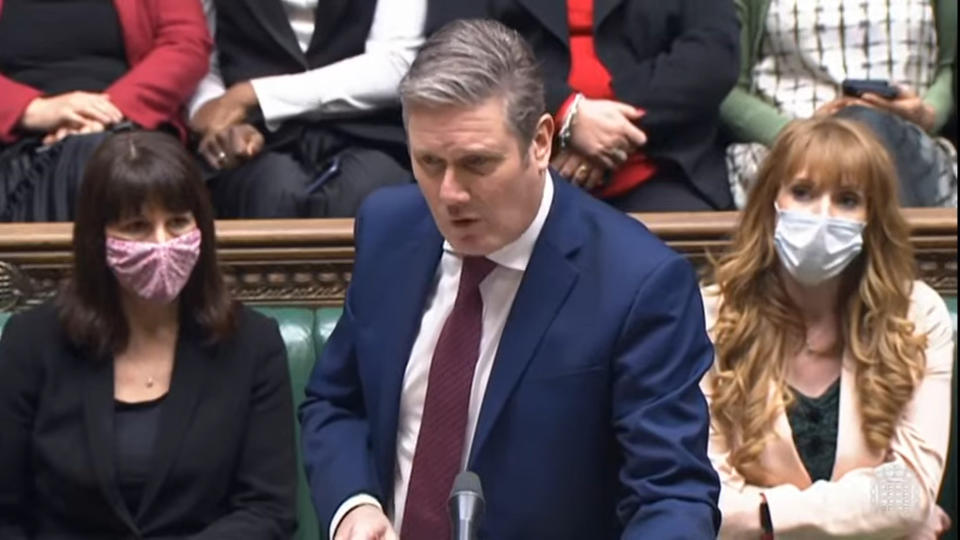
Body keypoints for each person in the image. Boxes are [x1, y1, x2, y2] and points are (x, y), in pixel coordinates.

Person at [300, 19, 720, 540]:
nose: (450, 193)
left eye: (477, 163)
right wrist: (354, 508)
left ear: (540, 142)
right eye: (429, 162)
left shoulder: (638, 284)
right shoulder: (390, 231)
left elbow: (671, 494)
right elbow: (336, 402)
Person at [0, 131, 297, 539]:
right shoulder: (31, 342)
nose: (162, 244)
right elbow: (7, 512)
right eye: (137, 226)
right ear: (97, 239)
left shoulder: (252, 343)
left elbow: (268, 510)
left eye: (177, 222)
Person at [701, 116, 954, 538]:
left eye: (848, 199)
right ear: (770, 203)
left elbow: (909, 488)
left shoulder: (915, 314)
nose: (823, 215)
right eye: (802, 192)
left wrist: (766, 515)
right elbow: (709, 497)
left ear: (873, 218)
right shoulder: (710, 316)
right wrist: (872, 514)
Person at [428, 0, 740, 212]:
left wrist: (604, 126)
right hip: (517, 161)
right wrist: (564, 113)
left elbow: (712, 57)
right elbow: (460, 49)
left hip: (660, 162)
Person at [187, 0, 424, 219]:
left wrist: (253, 95)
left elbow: (395, 65)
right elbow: (200, 58)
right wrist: (216, 118)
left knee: (373, 196)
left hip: (367, 132)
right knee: (270, 192)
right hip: (255, 139)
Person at [721, 0, 957, 209]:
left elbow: (948, 67)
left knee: (870, 134)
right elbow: (725, 87)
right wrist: (800, 134)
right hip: (789, 147)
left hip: (911, 146)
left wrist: (928, 113)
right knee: (859, 135)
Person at [0, 0, 211, 222]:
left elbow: (186, 45)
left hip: (129, 125)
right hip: (18, 138)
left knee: (98, 156)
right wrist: (32, 110)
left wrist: (105, 112)